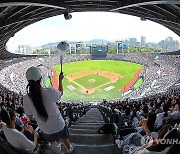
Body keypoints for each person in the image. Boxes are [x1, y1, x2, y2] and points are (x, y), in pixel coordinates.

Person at [23, 66, 74, 153]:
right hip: (59, 124)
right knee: (64, 138)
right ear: (40, 78)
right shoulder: (49, 91)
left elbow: (29, 115)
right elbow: (60, 93)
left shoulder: (26, 98)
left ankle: (58, 151)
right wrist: (60, 80)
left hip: (45, 129)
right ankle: (69, 149)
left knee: (53, 142)